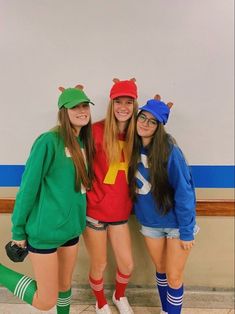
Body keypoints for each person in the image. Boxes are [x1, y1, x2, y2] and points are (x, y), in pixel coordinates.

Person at [0, 85, 94, 313]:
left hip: (71, 231)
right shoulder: (48, 141)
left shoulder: (83, 143)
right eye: (75, 107)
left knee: (64, 285)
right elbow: (27, 189)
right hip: (45, 232)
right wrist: (18, 232)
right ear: (63, 111)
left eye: (84, 106)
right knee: (45, 300)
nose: (81, 111)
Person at [128, 95, 199, 314]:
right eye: (143, 117)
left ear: (160, 126)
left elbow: (184, 193)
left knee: (174, 276)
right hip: (151, 222)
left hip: (176, 224)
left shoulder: (170, 151)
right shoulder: (130, 146)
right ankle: (165, 310)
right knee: (160, 270)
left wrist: (187, 231)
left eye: (152, 121)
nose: (145, 123)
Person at [83, 78, 138, 314]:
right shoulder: (95, 130)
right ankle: (100, 301)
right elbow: (75, 163)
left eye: (128, 102)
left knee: (127, 263)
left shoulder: (139, 134)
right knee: (100, 263)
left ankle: (119, 295)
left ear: (134, 105)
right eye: (118, 101)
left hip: (119, 212)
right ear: (111, 104)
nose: (123, 107)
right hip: (94, 212)